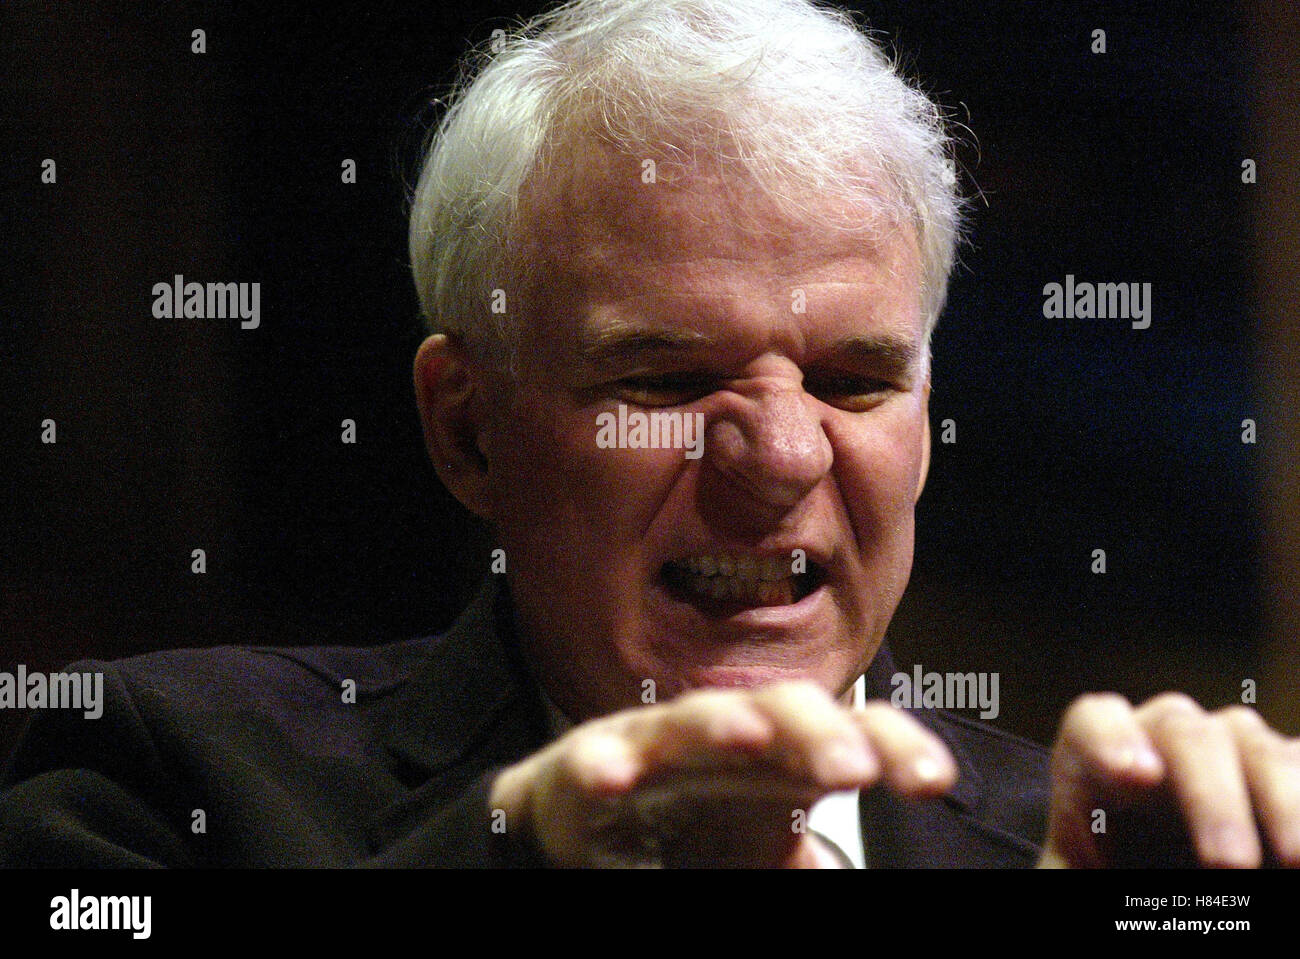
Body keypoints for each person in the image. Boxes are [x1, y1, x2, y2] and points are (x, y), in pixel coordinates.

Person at [2, 0, 1295, 869]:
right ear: (467, 430)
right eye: (669, 379)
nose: (781, 458)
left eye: (854, 381)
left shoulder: (1111, 859)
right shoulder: (163, 783)